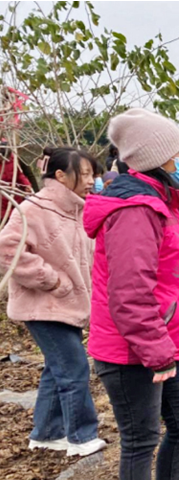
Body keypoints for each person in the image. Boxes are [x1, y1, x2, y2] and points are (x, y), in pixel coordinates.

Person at [84, 108, 179, 480]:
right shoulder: (136, 210)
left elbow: (173, 280)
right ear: (156, 158)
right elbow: (130, 293)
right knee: (140, 438)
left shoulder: (165, 203)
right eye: (177, 152)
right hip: (131, 349)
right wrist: (157, 351)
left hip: (164, 341)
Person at [0, 147, 106, 457]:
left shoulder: (78, 209)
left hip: (70, 305)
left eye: (92, 174)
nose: (91, 180)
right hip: (44, 306)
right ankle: (81, 436)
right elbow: (7, 251)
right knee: (74, 368)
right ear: (60, 175)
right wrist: (52, 281)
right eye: (84, 174)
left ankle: (46, 433)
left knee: (56, 368)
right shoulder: (34, 208)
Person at [0, 142, 32, 224]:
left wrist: (27, 184)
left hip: (15, 195)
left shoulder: (13, 160)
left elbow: (19, 175)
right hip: (2, 200)